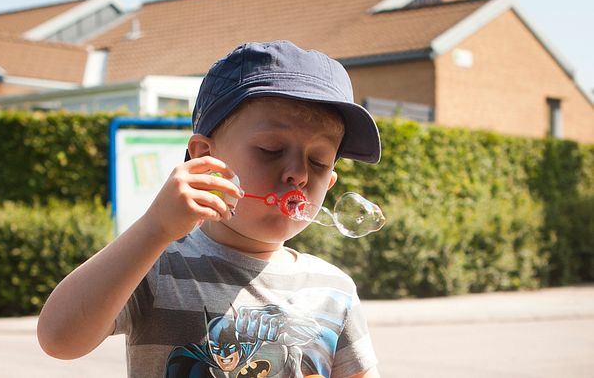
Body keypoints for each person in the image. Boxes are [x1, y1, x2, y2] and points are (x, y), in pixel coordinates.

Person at [38, 40, 382, 378]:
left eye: (318, 161)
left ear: (332, 182)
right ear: (205, 157)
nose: (300, 173)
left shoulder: (334, 290)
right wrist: (155, 228)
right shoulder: (157, 266)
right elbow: (59, 340)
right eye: (270, 148)